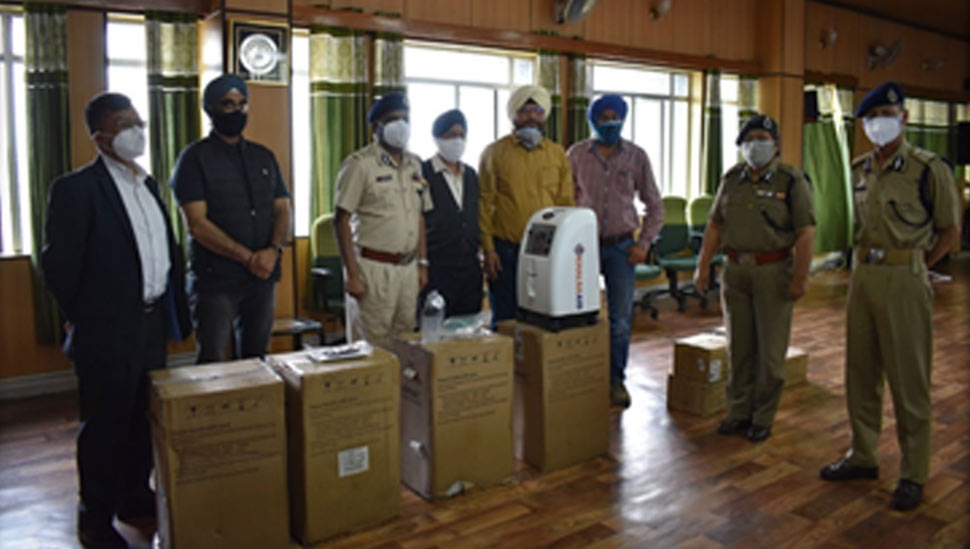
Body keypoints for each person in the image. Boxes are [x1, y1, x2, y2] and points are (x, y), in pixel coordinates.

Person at [41, 92, 191, 548]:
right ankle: (95, 516)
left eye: (138, 120)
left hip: (149, 324)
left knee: (140, 418)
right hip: (106, 328)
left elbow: (161, 249)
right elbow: (59, 267)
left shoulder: (146, 185)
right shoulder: (76, 189)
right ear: (100, 135)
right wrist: (86, 318)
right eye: (124, 123)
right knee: (105, 423)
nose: (136, 130)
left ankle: (132, 494)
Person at [819, 82, 960, 511]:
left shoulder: (927, 168)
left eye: (886, 113)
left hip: (903, 276)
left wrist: (916, 263)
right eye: (870, 116)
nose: (878, 122)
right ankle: (863, 455)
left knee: (908, 378)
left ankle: (914, 472)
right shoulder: (861, 168)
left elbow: (950, 230)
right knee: (860, 372)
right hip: (863, 275)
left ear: (903, 117)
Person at [694, 114, 815, 443]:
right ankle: (738, 411)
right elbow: (715, 225)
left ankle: (763, 416)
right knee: (739, 346)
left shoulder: (791, 181)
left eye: (763, 138)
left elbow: (805, 232)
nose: (755, 145)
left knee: (771, 351)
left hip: (773, 271)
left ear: (775, 144)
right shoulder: (732, 178)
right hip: (734, 270)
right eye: (749, 139)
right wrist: (703, 266)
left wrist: (800, 278)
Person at [171, 74, 292, 363]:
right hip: (216, 281)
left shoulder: (263, 156)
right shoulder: (194, 158)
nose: (236, 111)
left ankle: (253, 410)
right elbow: (197, 224)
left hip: (262, 277)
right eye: (227, 104)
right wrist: (248, 257)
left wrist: (272, 251)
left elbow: (283, 209)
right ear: (211, 109)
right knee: (213, 361)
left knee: (256, 359)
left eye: (242, 104)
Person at [567, 94, 664, 408]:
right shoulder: (576, 154)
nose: (610, 122)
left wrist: (643, 244)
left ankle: (615, 380)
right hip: (581, 247)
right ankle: (579, 376)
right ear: (592, 120)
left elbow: (655, 206)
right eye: (603, 117)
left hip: (622, 247)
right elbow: (564, 201)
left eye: (615, 116)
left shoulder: (636, 156)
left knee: (620, 320)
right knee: (578, 315)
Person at [334, 92, 431, 348]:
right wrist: (351, 274)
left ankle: (400, 391)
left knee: (405, 342)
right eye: (393, 119)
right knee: (370, 346)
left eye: (405, 118)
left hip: (408, 269)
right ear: (376, 128)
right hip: (373, 269)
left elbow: (419, 216)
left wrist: (422, 263)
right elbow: (341, 221)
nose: (401, 125)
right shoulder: (359, 165)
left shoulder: (415, 164)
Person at [479, 85, 574, 326]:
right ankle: (505, 365)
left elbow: (566, 205)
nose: (532, 116)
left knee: (541, 317)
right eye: (525, 110)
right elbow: (484, 202)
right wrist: (488, 249)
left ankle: (532, 365)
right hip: (505, 251)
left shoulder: (557, 154)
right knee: (505, 318)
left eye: (538, 111)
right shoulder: (495, 153)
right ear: (513, 115)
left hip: (546, 251)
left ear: (545, 116)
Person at [420, 108, 483, 317]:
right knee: (436, 329)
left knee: (468, 328)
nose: (457, 141)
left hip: (469, 268)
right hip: (437, 267)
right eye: (451, 135)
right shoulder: (423, 172)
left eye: (461, 135)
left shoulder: (471, 175)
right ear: (437, 138)